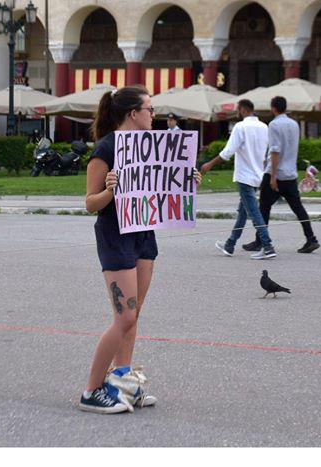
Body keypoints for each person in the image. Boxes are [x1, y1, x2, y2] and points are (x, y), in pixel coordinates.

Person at [80, 85, 201, 414]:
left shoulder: (154, 147)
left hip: (143, 234)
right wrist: (109, 191)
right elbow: (91, 203)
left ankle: (122, 380)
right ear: (133, 113)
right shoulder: (105, 149)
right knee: (125, 316)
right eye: (150, 109)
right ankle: (91, 390)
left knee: (133, 318)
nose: (154, 115)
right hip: (115, 234)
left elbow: (159, 190)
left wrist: (185, 182)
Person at [243, 96, 320, 254]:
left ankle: (261, 241)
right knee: (298, 208)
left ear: (273, 108)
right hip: (290, 173)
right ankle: (311, 238)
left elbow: (275, 151)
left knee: (263, 208)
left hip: (276, 173)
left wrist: (272, 176)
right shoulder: (294, 124)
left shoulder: (274, 124)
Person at [201, 99, 275, 259]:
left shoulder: (240, 127)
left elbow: (228, 152)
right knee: (243, 212)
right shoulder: (264, 127)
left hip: (244, 176)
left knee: (254, 212)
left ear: (242, 110)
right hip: (257, 175)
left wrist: (209, 164)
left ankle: (268, 246)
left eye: (237, 109)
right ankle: (230, 244)